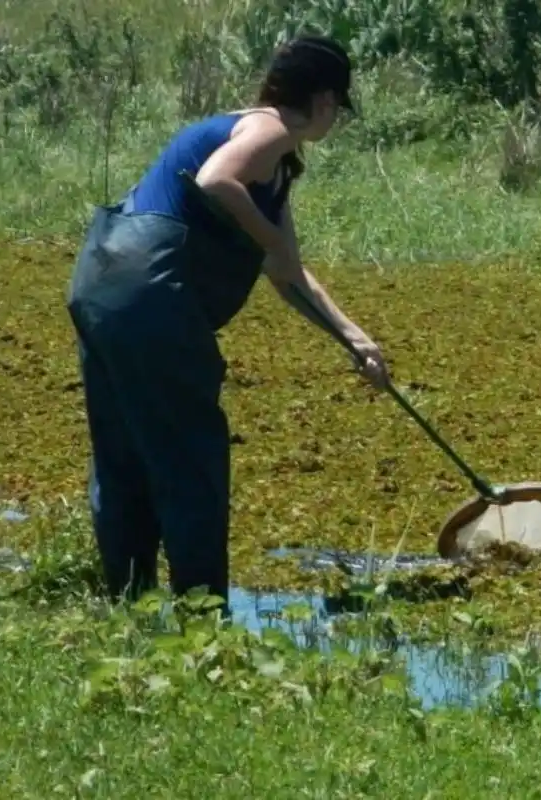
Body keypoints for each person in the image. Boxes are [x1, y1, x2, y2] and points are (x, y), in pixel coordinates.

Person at [64, 35, 387, 615]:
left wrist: (355, 340)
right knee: (190, 459)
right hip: (151, 297)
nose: (334, 118)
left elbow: (289, 276)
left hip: (101, 285)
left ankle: (127, 609)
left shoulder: (269, 163)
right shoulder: (270, 130)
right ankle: (202, 619)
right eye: (336, 106)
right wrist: (268, 241)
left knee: (125, 457)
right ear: (320, 99)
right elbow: (215, 182)